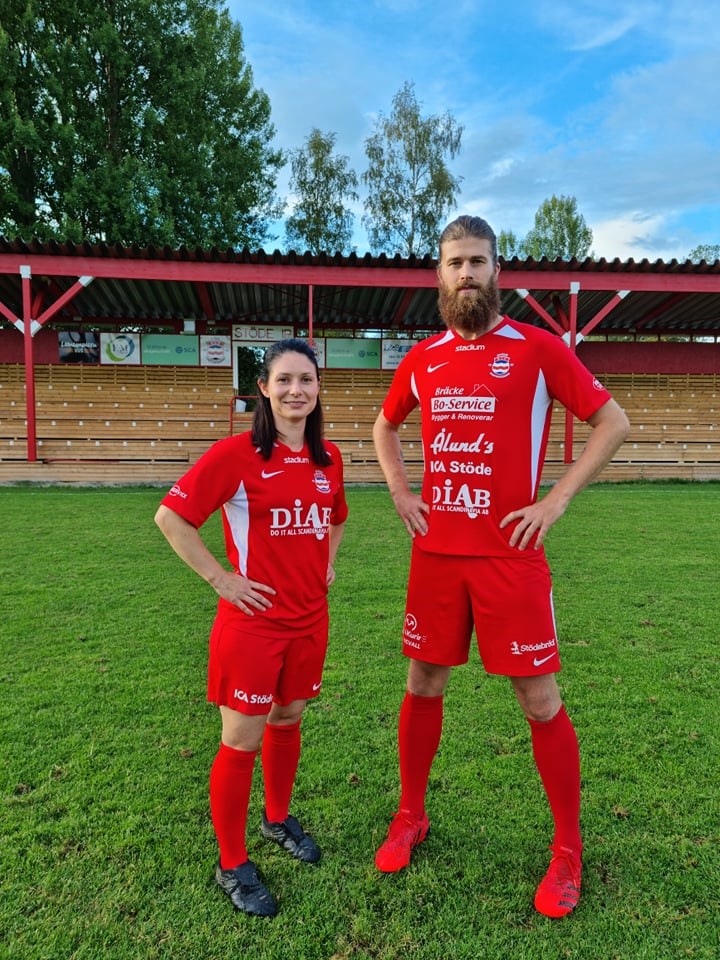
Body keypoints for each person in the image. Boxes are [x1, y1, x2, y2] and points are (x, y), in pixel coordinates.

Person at [372, 215, 630, 918]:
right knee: (423, 681)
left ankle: (568, 848)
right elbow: (385, 425)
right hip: (436, 557)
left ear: (496, 271)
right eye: (455, 262)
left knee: (539, 699)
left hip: (511, 559)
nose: (466, 274)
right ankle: (411, 814)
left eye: (478, 262)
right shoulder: (423, 358)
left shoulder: (539, 350)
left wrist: (556, 500)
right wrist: (399, 491)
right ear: (439, 274)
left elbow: (613, 422)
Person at [155, 338, 347, 918]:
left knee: (288, 718)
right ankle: (232, 862)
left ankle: (277, 819)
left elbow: (336, 517)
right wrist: (222, 580)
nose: (296, 390)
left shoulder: (329, 458)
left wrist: (328, 561)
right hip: (253, 627)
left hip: (309, 620)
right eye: (284, 380)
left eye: (306, 379)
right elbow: (171, 517)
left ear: (318, 388)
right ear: (263, 388)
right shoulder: (236, 455)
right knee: (242, 740)